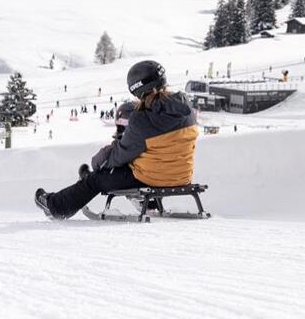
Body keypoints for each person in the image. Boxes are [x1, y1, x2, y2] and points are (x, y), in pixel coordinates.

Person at [35, 60, 198, 220]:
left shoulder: (143, 118)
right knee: (142, 156)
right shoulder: (187, 110)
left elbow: (119, 155)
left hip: (151, 178)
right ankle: (150, 203)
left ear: (137, 89)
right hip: (182, 176)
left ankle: (55, 206)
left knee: (96, 180)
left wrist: (98, 163)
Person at [80, 101, 137, 179]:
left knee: (101, 175)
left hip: (131, 177)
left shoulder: (128, 145)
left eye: (120, 127)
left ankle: (89, 179)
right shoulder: (146, 135)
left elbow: (99, 161)